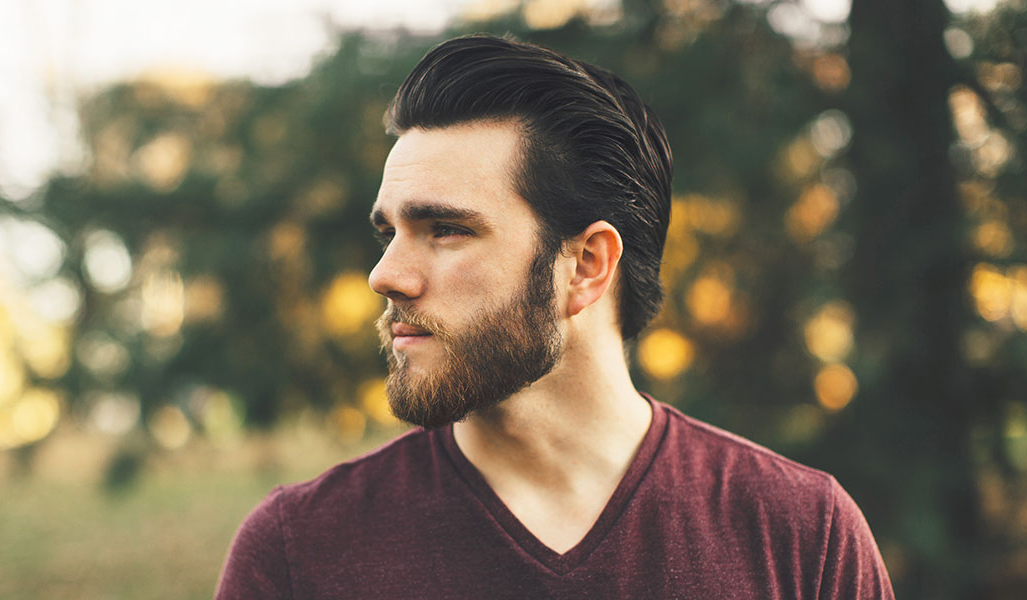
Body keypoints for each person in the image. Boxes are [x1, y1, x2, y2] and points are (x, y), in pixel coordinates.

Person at [215, 34, 894, 599]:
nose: (385, 274)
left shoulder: (800, 538)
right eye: (387, 231)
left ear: (588, 265)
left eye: (446, 229)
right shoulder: (298, 554)